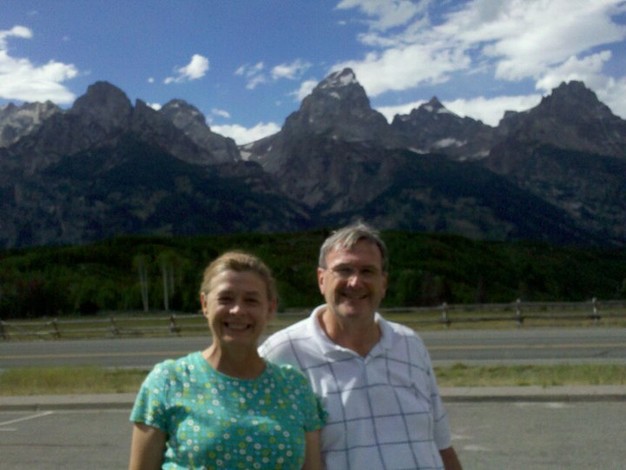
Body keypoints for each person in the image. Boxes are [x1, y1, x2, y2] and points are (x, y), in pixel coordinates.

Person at [260, 222, 463, 469]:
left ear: (383, 283)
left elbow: (441, 444)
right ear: (321, 279)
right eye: (344, 270)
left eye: (367, 271)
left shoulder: (410, 344)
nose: (355, 282)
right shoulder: (283, 353)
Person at [129, 251, 326, 469]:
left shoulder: (294, 387)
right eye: (225, 299)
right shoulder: (169, 381)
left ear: (270, 308)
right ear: (205, 304)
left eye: (251, 300)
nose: (238, 310)